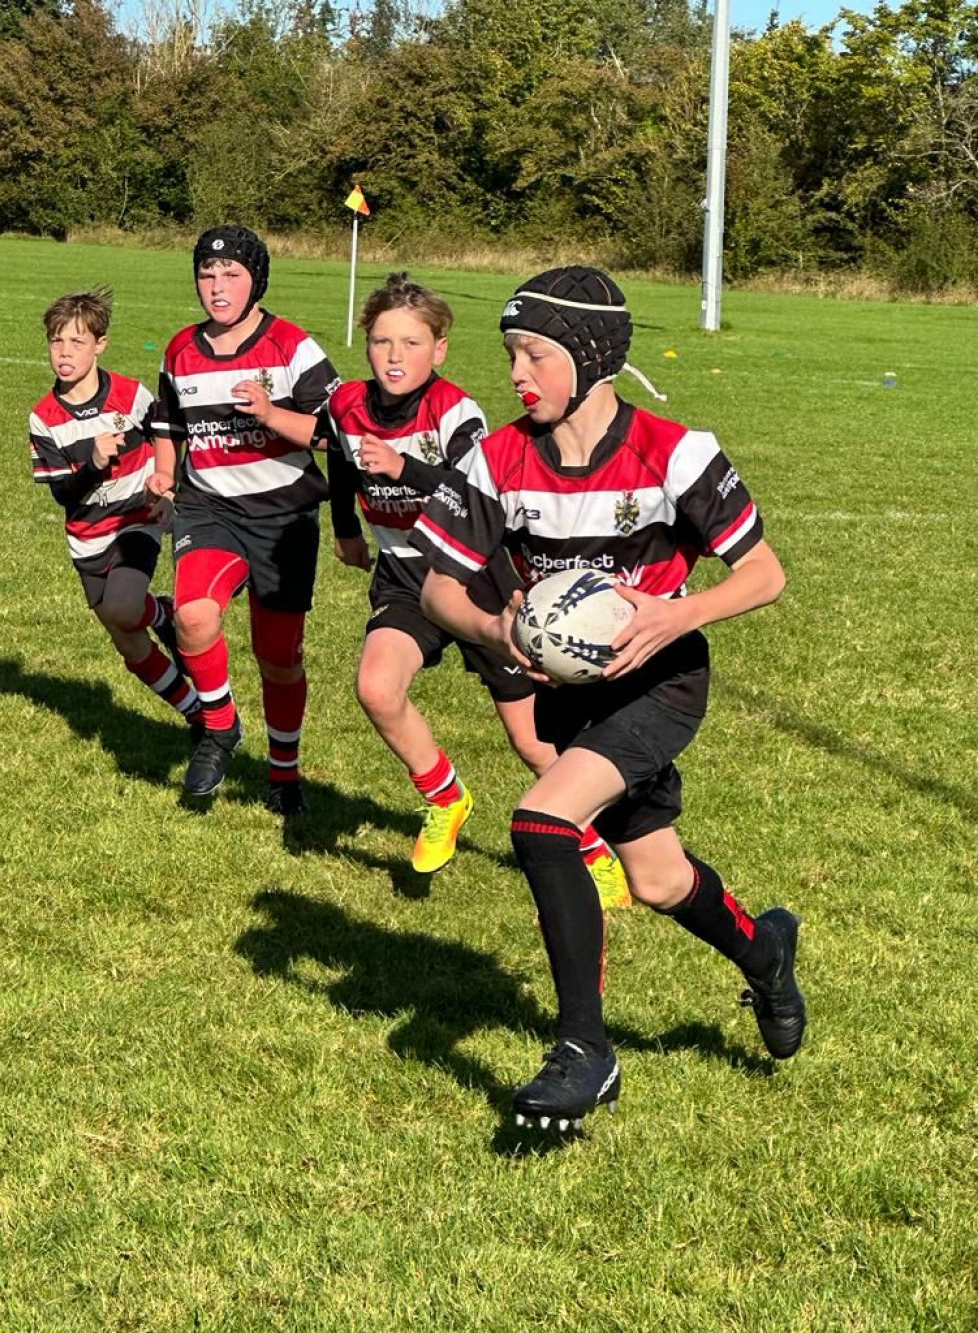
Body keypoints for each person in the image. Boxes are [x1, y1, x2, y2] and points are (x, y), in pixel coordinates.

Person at [413, 266, 806, 1129]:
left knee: (543, 823)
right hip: (571, 700)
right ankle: (765, 949)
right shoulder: (495, 457)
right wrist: (500, 632)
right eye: (511, 353)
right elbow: (440, 588)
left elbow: (765, 574)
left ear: (591, 358)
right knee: (660, 879)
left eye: (535, 355)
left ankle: (585, 1051)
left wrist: (677, 614)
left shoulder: (676, 452)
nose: (517, 373)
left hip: (662, 683)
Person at [328, 272, 629, 906]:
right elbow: (338, 459)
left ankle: (594, 844)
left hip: (477, 577)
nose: (393, 356)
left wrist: (403, 466)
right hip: (405, 575)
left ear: (439, 350)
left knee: (531, 740)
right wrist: (345, 527)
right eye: (382, 341)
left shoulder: (458, 413)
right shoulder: (346, 404)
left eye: (410, 343)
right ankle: (444, 794)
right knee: (377, 689)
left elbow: (472, 496)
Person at [147, 226, 341, 811]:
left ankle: (284, 775)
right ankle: (221, 727)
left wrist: (270, 413)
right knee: (193, 616)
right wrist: (163, 472)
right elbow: (168, 424)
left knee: (279, 659)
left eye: (231, 275)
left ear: (257, 280)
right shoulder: (181, 349)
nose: (217, 286)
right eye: (207, 274)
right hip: (210, 509)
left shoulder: (292, 347)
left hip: (284, 519)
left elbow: (336, 432)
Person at [29, 288, 200, 731]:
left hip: (134, 521)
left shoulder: (129, 394)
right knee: (127, 641)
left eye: (77, 342)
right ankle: (196, 712)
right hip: (87, 538)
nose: (64, 353)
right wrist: (93, 464)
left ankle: (159, 615)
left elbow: (168, 429)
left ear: (100, 345)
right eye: (56, 342)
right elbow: (64, 494)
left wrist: (168, 489)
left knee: (125, 609)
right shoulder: (44, 417)